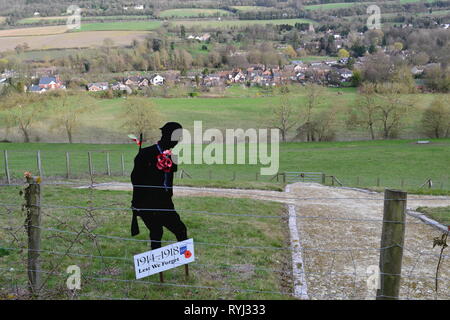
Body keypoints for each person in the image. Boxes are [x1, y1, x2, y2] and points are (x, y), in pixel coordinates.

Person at [130, 122, 187, 250]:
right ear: (166, 135)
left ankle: (185, 258)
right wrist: (137, 203)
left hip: (165, 203)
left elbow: (169, 179)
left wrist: (168, 195)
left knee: (181, 230)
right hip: (147, 203)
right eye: (176, 137)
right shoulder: (145, 154)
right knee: (157, 232)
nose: (177, 141)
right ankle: (156, 265)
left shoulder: (172, 157)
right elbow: (135, 179)